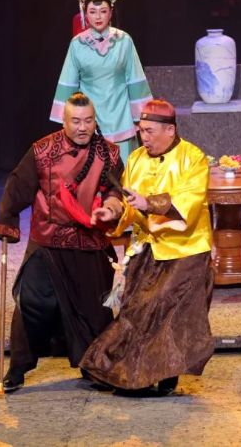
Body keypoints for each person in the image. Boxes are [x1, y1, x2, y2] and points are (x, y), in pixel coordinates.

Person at [80, 99, 214, 396]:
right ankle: (123, 371)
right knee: (136, 307)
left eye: (150, 131)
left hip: (185, 249)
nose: (144, 138)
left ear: (170, 130)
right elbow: (128, 206)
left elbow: (188, 202)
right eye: (141, 131)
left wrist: (149, 203)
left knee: (164, 305)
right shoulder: (137, 159)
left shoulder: (193, 158)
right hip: (147, 247)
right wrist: (112, 212)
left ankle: (152, 376)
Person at [0, 92, 125, 393]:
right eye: (76, 121)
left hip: (89, 240)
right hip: (48, 240)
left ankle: (94, 366)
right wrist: (7, 221)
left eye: (88, 121)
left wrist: (112, 207)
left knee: (95, 309)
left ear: (95, 121)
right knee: (32, 302)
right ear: (64, 121)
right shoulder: (42, 151)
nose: (83, 127)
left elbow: (115, 191)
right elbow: (18, 187)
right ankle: (18, 368)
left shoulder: (109, 153)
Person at [50, 0, 153, 161]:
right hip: (89, 118)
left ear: (111, 12)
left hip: (121, 115)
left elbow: (135, 79)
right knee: (92, 170)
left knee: (122, 170)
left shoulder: (124, 40)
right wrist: (67, 119)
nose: (98, 17)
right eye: (92, 11)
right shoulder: (77, 44)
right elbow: (69, 83)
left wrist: (141, 116)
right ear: (85, 14)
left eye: (103, 11)